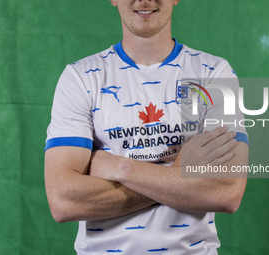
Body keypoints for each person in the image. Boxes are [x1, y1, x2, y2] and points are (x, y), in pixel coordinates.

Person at [44, 0, 249, 254]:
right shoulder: (80, 78)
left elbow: (225, 191)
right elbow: (63, 200)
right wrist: (178, 175)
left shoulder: (214, 73)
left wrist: (119, 167)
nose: (144, 0)